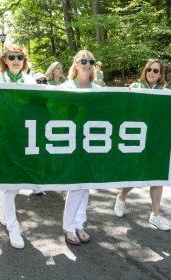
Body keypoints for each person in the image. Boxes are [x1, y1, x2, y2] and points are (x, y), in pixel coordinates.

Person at [0, 44, 36, 249]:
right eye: (12, 57)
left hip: (25, 137)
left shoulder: (31, 81)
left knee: (19, 181)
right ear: (4, 60)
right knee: (7, 182)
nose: (16, 60)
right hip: (2, 138)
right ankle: (13, 227)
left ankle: (2, 208)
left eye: (20, 57)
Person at [114, 59, 170, 231]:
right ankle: (122, 196)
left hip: (157, 140)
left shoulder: (166, 93)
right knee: (136, 174)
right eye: (148, 70)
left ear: (161, 74)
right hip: (137, 138)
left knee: (157, 176)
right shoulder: (135, 89)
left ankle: (155, 215)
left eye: (155, 70)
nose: (151, 73)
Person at [61, 50, 101, 245]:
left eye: (90, 61)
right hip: (71, 142)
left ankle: (79, 223)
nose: (87, 64)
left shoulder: (97, 88)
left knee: (85, 187)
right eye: (83, 61)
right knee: (76, 186)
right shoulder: (66, 86)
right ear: (75, 64)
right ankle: (69, 227)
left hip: (91, 143)